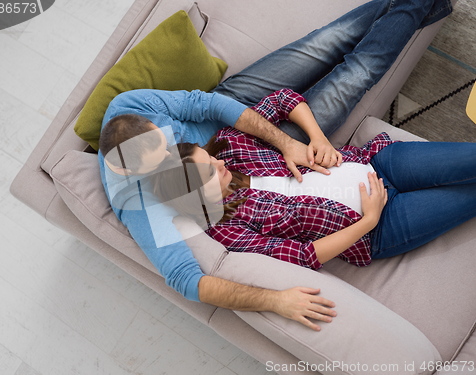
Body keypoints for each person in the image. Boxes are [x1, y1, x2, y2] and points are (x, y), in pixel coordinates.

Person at [98, 0, 453, 330]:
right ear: (129, 172)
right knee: (354, 76)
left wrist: (288, 144)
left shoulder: (131, 108)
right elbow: (186, 280)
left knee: (325, 43)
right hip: (247, 160)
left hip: (232, 117)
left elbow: (204, 105)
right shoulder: (137, 204)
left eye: (167, 141)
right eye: (162, 160)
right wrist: (275, 300)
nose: (174, 150)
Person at [152, 88, 476, 272]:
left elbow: (282, 100)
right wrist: (370, 219)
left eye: (208, 157)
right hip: (383, 225)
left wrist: (317, 138)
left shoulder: (230, 145)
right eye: (209, 171)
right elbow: (301, 256)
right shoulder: (227, 230)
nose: (219, 163)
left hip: (377, 162)